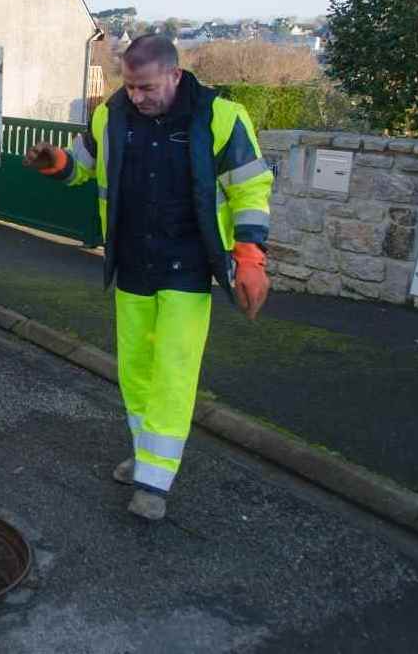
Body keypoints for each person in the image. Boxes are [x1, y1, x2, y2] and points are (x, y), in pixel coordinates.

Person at [24, 35, 271, 521]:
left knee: (173, 370)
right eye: (131, 87)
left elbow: (251, 187)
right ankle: (147, 454)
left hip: (190, 265)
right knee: (135, 369)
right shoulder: (110, 116)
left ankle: (154, 482)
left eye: (147, 87)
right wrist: (56, 165)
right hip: (132, 262)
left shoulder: (221, 117)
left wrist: (250, 258)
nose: (137, 97)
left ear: (175, 75)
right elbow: (82, 168)